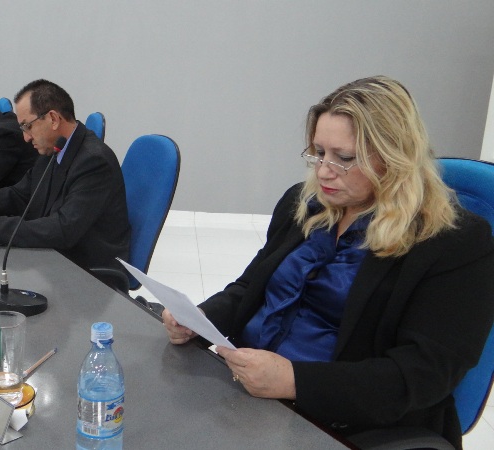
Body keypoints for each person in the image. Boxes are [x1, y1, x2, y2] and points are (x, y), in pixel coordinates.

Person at [161, 76, 494, 448]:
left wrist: (293, 381)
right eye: (318, 153)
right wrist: (202, 318)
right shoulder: (304, 204)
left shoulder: (453, 243)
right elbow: (250, 288)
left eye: (344, 158)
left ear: (395, 157)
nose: (323, 171)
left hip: (341, 421)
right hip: (246, 393)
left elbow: (422, 375)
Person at [0, 79, 130, 272]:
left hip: (86, 270)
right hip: (54, 257)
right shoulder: (54, 148)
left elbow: (64, 228)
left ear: (53, 119)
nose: (26, 137)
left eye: (27, 126)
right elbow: (19, 194)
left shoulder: (94, 161)